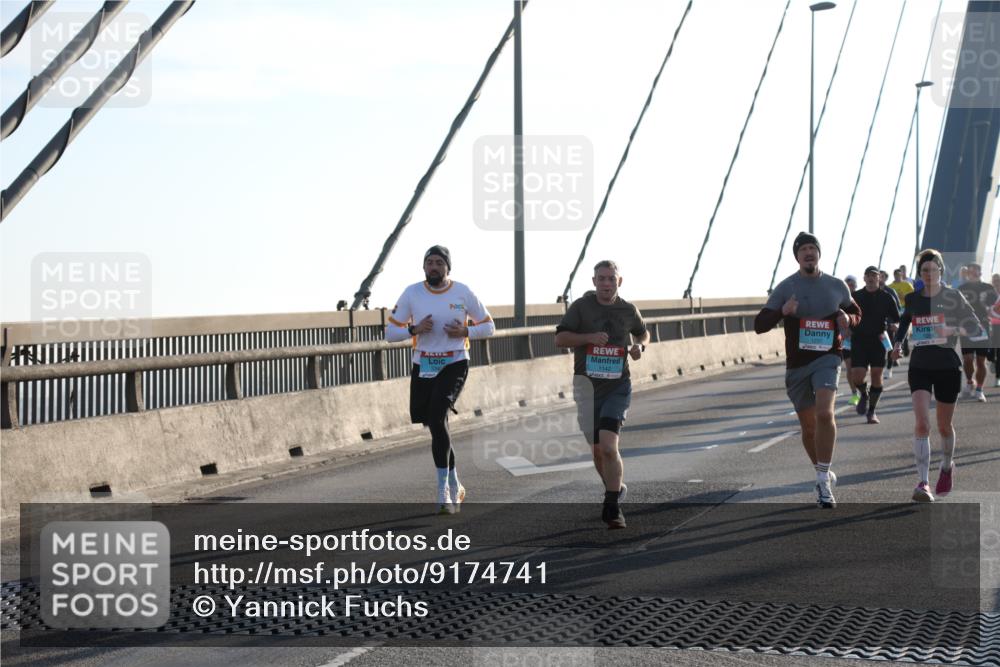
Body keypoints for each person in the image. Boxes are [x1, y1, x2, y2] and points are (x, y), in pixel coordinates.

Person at [385, 246, 495, 514]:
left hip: (455, 362)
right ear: (424, 267)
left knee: (437, 417)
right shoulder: (412, 292)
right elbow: (390, 332)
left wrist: (466, 330)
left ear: (448, 268)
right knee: (436, 425)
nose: (433, 267)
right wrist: (414, 329)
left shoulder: (463, 292)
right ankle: (456, 483)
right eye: (429, 263)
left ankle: (443, 491)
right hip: (424, 364)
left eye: (438, 263)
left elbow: (489, 326)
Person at [755, 232, 861, 509]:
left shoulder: (836, 286)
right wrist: (783, 311)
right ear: (797, 256)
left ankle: (823, 480)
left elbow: (856, 312)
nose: (809, 253)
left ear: (819, 254)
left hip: (828, 357)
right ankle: (821, 470)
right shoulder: (786, 287)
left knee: (825, 413)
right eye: (803, 249)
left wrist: (848, 318)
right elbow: (760, 324)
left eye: (813, 248)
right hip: (797, 364)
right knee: (809, 426)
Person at [555, 260, 649, 529]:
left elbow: (643, 335)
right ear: (594, 281)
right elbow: (560, 339)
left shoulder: (628, 310)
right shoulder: (581, 308)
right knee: (597, 450)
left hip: (618, 386)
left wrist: (640, 348)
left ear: (619, 281)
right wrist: (588, 338)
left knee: (609, 446)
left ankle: (612, 506)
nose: (606, 283)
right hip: (586, 387)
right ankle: (614, 488)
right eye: (601, 279)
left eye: (611, 279)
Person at [891, 249, 982, 502]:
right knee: (922, 423)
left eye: (933, 269)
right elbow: (905, 323)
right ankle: (923, 482)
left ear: (941, 271)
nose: (929, 274)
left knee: (943, 426)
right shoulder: (912, 299)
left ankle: (947, 466)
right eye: (924, 270)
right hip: (920, 365)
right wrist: (898, 344)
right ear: (919, 274)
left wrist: (951, 327)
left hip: (946, 366)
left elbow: (975, 326)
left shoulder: (953, 296)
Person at [850, 266, 900, 424]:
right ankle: (863, 395)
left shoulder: (886, 297)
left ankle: (871, 411)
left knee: (877, 375)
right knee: (857, 376)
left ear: (879, 278)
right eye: (868, 276)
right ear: (864, 278)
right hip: (859, 340)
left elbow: (896, 317)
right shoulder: (855, 296)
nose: (871, 278)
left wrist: (894, 325)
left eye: (874, 276)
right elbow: (846, 313)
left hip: (878, 340)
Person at [957, 263, 994, 402]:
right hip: (966, 328)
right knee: (967, 360)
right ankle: (969, 382)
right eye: (971, 271)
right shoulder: (961, 289)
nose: (973, 273)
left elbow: (995, 306)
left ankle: (979, 389)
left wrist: (988, 308)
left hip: (983, 328)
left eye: (976, 271)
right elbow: (955, 308)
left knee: (980, 361)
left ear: (980, 272)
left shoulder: (988, 288)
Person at [842, 276, 860, 406]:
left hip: (861, 338)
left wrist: (853, 330)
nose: (849, 286)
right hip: (846, 340)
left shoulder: (860, 299)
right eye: (847, 284)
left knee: (860, 369)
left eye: (852, 284)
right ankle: (854, 394)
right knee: (849, 367)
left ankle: (863, 389)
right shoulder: (839, 300)